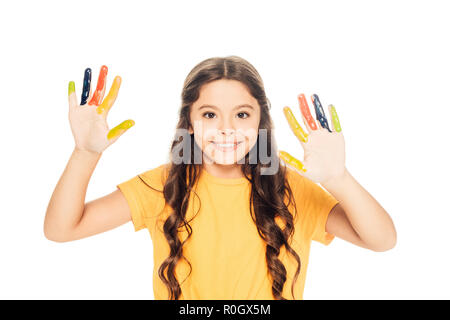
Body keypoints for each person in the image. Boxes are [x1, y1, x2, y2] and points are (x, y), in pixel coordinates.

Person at [44, 56, 397, 300]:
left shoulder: (289, 188)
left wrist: (339, 177)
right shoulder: (161, 186)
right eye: (210, 114)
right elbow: (61, 229)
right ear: (189, 121)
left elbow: (382, 239)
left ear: (260, 121)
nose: (226, 129)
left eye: (242, 114)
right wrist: (85, 153)